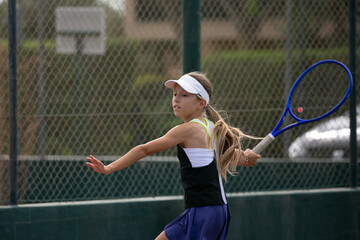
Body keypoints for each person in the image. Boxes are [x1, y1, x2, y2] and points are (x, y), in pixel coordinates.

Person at [86, 72, 261, 240]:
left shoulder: (188, 130)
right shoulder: (210, 127)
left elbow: (144, 149)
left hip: (202, 212)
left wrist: (109, 168)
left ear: (201, 103)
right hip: (217, 211)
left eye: (184, 95)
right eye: (175, 94)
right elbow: (228, 155)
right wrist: (245, 158)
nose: (176, 99)